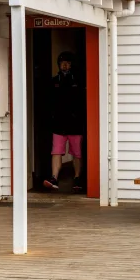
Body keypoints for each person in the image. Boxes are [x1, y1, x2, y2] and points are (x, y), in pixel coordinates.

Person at [43, 51, 85, 192]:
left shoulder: (79, 80)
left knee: (77, 153)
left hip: (75, 123)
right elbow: (48, 101)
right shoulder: (54, 81)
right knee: (56, 151)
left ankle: (78, 178)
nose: (65, 65)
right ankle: (54, 177)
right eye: (62, 63)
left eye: (67, 63)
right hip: (58, 123)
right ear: (59, 65)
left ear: (71, 64)